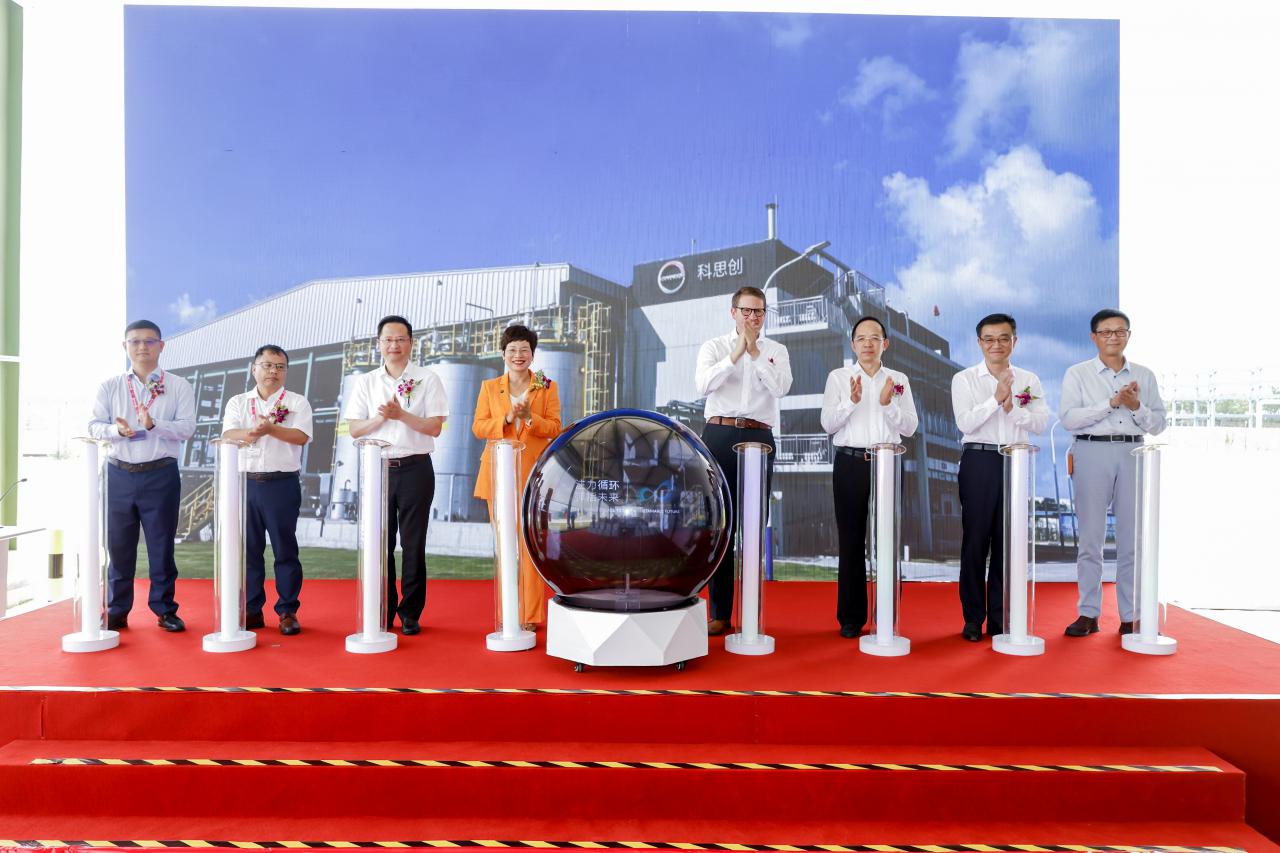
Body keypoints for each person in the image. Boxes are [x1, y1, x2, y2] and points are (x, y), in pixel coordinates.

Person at [1059, 309, 1167, 637]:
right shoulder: (1078, 374)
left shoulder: (1145, 375)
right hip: (1091, 450)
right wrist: (1111, 402)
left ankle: (1131, 615)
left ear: (1128, 336)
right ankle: (1088, 613)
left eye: (1120, 331)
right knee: (1090, 538)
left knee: (1131, 540)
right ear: (1094, 337)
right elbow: (1069, 419)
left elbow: (1158, 425)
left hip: (1133, 452)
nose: (1113, 337)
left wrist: (1135, 406)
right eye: (1106, 332)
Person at [694, 286, 793, 636]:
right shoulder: (714, 347)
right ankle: (720, 613)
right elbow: (704, 384)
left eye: (759, 311)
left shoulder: (775, 350)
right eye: (747, 311)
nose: (753, 317)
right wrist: (737, 353)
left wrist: (754, 354)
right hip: (719, 434)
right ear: (733, 312)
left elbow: (781, 388)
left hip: (758, 437)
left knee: (752, 524)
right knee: (720, 524)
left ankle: (751, 612)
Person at [341, 315, 448, 636]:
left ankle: (410, 613)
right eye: (388, 340)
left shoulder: (427, 378)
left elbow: (434, 427)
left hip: (416, 468)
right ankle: (383, 611)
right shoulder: (367, 382)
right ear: (378, 344)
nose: (394, 345)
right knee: (381, 545)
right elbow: (354, 429)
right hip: (379, 469)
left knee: (413, 545)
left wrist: (401, 414)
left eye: (400, 339)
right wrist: (380, 419)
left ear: (411, 343)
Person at [88, 320, 196, 632]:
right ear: (125, 346)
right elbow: (94, 426)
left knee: (162, 546)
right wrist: (116, 431)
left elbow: (187, 428)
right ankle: (117, 610)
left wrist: (154, 425)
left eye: (149, 341)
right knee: (118, 546)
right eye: (135, 341)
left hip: (160, 474)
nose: (142, 347)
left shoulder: (178, 386)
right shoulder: (110, 386)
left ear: (161, 346)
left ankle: (165, 609)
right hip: (118, 473)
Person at [950, 313, 1049, 642]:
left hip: (1016, 460)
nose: (997, 344)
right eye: (989, 339)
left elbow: (1039, 423)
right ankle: (972, 619)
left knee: (1008, 544)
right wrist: (996, 398)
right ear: (980, 342)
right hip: (979, 459)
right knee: (975, 541)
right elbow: (965, 423)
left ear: (1014, 341)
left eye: (1004, 338)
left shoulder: (1029, 380)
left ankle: (999, 619)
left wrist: (1012, 408)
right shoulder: (964, 379)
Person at [820, 316, 919, 638]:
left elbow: (910, 427)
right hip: (850, 462)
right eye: (861, 338)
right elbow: (828, 424)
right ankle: (851, 618)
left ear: (884, 344)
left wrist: (888, 405)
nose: (867, 344)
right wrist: (851, 401)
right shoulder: (839, 378)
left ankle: (887, 615)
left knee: (887, 539)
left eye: (874, 338)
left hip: (887, 461)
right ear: (853, 344)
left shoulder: (898, 379)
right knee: (851, 540)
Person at [473, 324, 563, 630]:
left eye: (524, 349)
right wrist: (508, 418)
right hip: (497, 473)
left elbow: (555, 427)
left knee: (529, 546)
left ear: (533, 354)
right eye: (512, 350)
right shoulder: (489, 387)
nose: (518, 355)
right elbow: (479, 427)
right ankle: (509, 612)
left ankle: (531, 616)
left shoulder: (547, 386)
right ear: (503, 354)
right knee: (505, 546)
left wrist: (528, 418)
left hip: (532, 477)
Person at [221, 345, 313, 635]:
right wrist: (254, 432)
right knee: (250, 550)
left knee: (285, 550)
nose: (274, 371)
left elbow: (301, 436)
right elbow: (228, 434)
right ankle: (252, 609)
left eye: (280, 366)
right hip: (245, 483)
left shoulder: (297, 402)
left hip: (281, 484)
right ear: (254, 369)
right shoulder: (238, 402)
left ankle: (287, 611)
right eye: (268, 365)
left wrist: (271, 429)